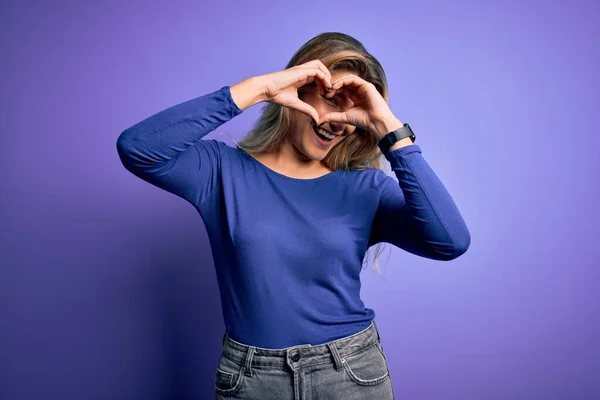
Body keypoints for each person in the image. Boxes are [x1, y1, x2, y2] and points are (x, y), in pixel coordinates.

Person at [117, 32, 470, 400]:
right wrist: (261, 88)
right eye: (331, 100)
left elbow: (450, 241)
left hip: (350, 374)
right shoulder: (221, 171)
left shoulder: (367, 189)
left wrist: (388, 128)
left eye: (351, 112)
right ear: (299, 87)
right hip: (253, 380)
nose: (337, 121)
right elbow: (137, 148)